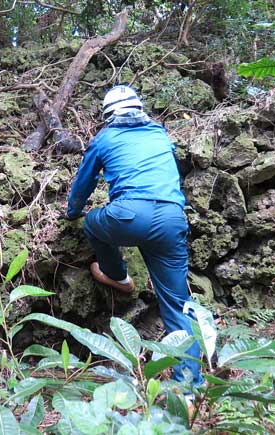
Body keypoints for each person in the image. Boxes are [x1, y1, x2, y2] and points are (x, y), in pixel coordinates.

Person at [65, 85, 203, 392]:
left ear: (109, 116)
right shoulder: (159, 134)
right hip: (170, 219)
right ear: (139, 110)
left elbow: (83, 185)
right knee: (180, 305)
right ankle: (191, 390)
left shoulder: (105, 138)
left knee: (92, 222)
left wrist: (72, 212)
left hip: (127, 216)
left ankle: (118, 275)